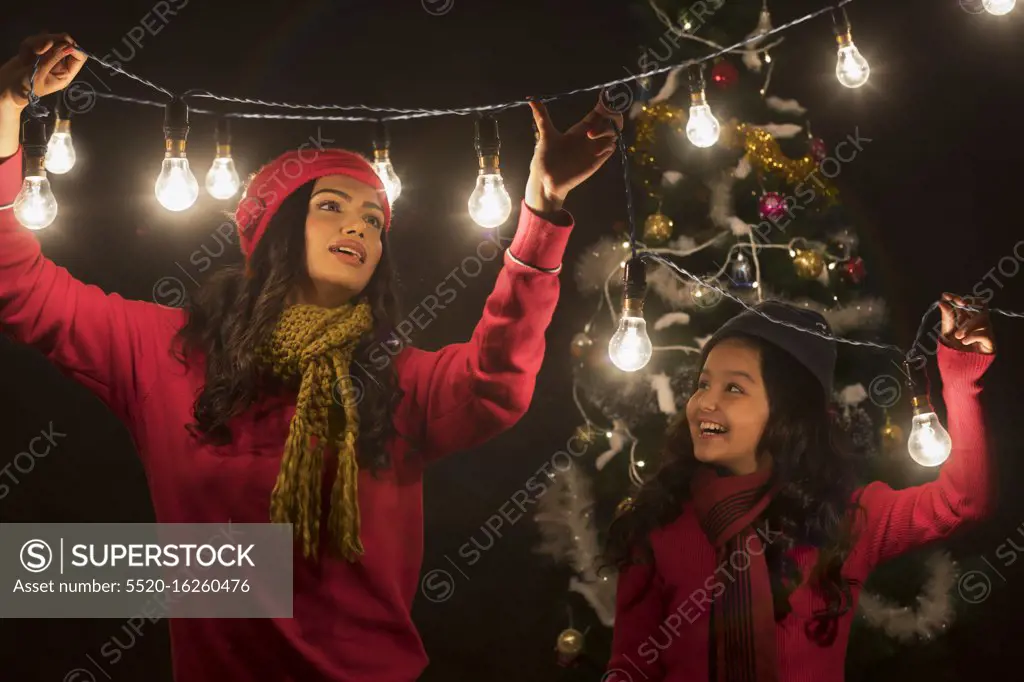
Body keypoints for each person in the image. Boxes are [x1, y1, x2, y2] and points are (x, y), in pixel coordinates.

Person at [0, 32, 623, 682]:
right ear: (274, 229)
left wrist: (544, 209)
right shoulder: (164, 350)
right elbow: (15, 283)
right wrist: (7, 106)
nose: (359, 226)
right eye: (331, 207)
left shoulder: (396, 379)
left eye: (374, 220)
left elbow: (496, 382)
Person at [603, 297, 995, 682]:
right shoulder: (659, 522)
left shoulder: (847, 517)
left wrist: (963, 381)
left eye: (734, 389)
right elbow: (631, 665)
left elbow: (963, 501)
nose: (705, 401)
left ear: (788, 411)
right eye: (703, 384)